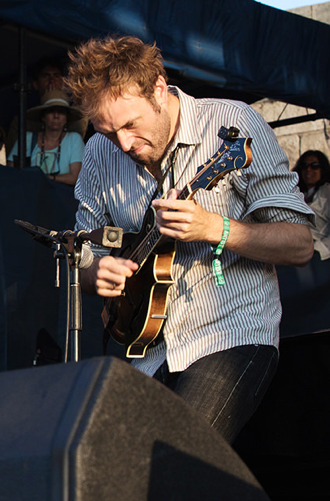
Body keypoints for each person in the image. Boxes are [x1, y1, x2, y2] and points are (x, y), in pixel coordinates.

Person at [65, 35, 314, 443]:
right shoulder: (97, 153)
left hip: (230, 335)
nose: (123, 144)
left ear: (159, 89)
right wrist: (95, 270)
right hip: (144, 349)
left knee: (179, 459)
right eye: (109, 132)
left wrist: (215, 228)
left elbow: (300, 244)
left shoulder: (233, 126)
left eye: (130, 125)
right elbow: (87, 246)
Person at [4, 57, 88, 158]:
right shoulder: (21, 121)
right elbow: (13, 156)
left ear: (64, 82)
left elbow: (77, 133)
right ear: (35, 84)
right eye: (46, 76)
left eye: (56, 76)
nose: (51, 81)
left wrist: (58, 99)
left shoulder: (74, 114)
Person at [7, 89, 84, 185]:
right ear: (43, 117)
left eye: (61, 112)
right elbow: (11, 171)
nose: (56, 116)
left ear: (66, 119)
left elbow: (75, 178)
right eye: (51, 111)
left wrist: (45, 178)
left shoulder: (74, 139)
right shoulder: (27, 138)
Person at [294, 150, 330, 259]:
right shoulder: (296, 194)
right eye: (304, 166)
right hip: (294, 249)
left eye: (314, 166)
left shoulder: (327, 192)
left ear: (322, 169)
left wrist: (318, 250)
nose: (308, 169)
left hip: (319, 254)